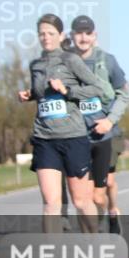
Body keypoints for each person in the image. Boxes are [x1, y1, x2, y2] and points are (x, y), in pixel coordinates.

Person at [18, 14, 114, 233]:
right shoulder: (36, 65)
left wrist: (67, 91)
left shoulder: (71, 60)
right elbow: (42, 93)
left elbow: (97, 89)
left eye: (51, 33)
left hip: (73, 137)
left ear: (60, 35)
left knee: (81, 202)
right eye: (42, 34)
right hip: (44, 139)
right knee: (51, 204)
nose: (46, 37)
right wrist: (30, 95)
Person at [69, 15, 129, 234]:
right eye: (78, 33)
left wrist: (109, 120)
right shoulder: (65, 62)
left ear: (94, 36)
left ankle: (112, 211)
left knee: (105, 187)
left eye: (88, 33)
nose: (83, 38)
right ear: (71, 36)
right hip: (76, 137)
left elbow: (124, 94)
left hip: (106, 133)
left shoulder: (107, 61)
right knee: (82, 196)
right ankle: (90, 239)